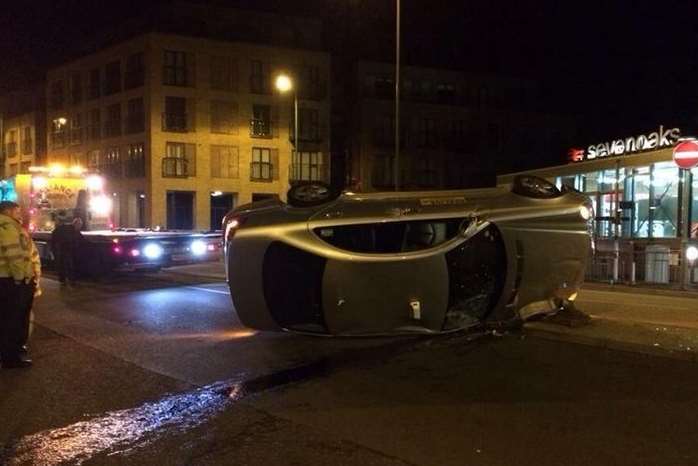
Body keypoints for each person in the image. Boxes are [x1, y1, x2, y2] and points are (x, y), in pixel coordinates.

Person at [0, 200, 41, 369]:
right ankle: (11, 357)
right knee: (14, 320)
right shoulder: (8, 227)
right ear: (8, 211)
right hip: (13, 281)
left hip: (8, 280)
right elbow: (14, 254)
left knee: (7, 318)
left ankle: (9, 352)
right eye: (17, 210)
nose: (19, 213)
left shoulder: (9, 226)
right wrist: (20, 279)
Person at [51, 215, 83, 286]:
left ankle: (64, 279)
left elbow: (80, 239)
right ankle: (69, 280)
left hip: (63, 249)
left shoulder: (72, 230)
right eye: (79, 225)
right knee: (67, 264)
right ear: (76, 224)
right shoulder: (68, 229)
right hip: (63, 249)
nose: (80, 227)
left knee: (64, 264)